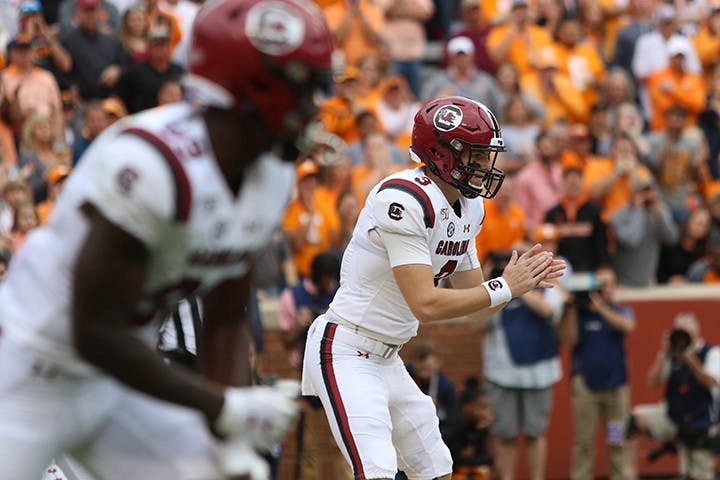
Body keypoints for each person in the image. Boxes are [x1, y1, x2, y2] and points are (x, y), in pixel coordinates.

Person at [0, 0, 335, 477]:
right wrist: (223, 406)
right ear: (258, 89)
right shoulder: (151, 165)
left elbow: (224, 318)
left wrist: (229, 435)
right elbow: (92, 330)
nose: (313, 109)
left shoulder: (270, 175)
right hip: (28, 368)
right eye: (302, 92)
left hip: (113, 385)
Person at [302, 95, 565, 480]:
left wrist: (515, 287)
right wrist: (503, 287)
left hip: (388, 356)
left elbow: (475, 304)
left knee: (437, 468)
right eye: (474, 155)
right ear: (443, 153)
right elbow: (425, 303)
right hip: (346, 350)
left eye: (484, 155)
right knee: (376, 471)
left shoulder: (469, 206)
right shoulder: (403, 198)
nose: (483, 165)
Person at [628, 313, 720, 480]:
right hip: (672, 416)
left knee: (695, 475)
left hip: (701, 423)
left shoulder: (712, 353)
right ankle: (623, 473)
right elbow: (651, 383)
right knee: (625, 422)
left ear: (697, 333)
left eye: (688, 334)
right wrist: (663, 354)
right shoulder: (670, 354)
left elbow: (710, 382)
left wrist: (690, 359)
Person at [564, 267, 635, 480]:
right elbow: (568, 339)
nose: (602, 289)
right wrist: (572, 307)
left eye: (606, 285)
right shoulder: (580, 314)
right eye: (598, 284)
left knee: (617, 439)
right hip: (587, 388)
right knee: (584, 441)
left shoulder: (620, 311)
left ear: (614, 287)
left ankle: (620, 476)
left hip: (616, 388)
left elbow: (628, 326)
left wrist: (601, 307)